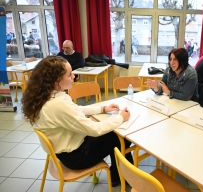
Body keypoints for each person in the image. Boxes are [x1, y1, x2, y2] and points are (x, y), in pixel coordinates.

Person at [21, 56, 133, 187]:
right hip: (77, 158)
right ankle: (124, 177)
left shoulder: (45, 96)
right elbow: (95, 130)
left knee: (112, 134)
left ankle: (117, 175)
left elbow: (75, 110)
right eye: (69, 75)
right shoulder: (58, 104)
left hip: (65, 152)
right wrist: (121, 118)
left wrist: (103, 108)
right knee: (120, 137)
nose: (73, 76)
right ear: (57, 81)